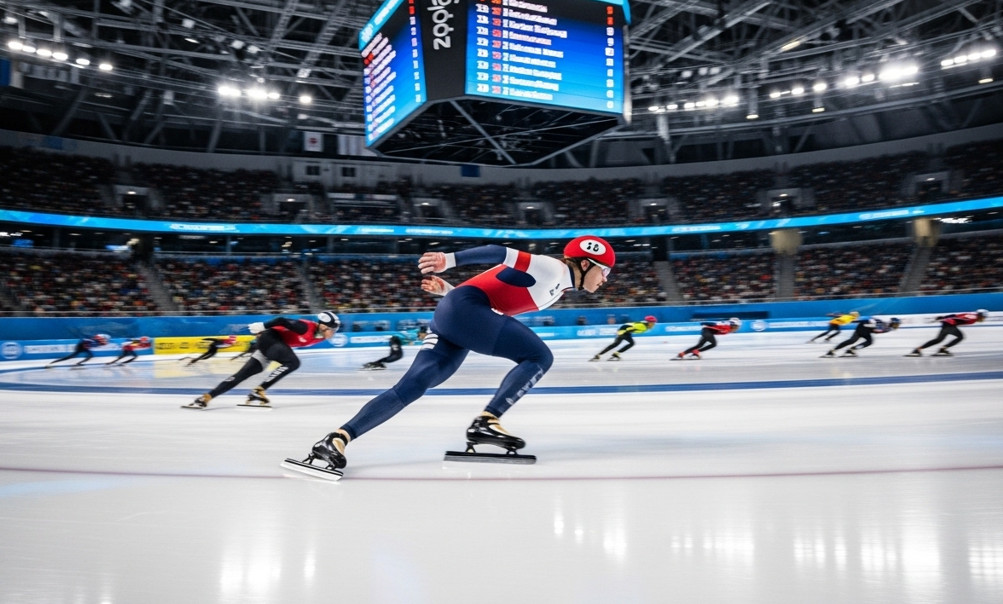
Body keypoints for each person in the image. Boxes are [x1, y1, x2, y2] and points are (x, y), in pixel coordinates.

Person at [287, 235, 615, 478]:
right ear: (585, 263)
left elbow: (491, 292)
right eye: (605, 272)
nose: (605, 281)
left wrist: (447, 291)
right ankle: (487, 421)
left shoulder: (559, 288)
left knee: (412, 386)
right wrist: (450, 259)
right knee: (539, 356)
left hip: (455, 312)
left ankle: (337, 439)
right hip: (465, 310)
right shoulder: (553, 269)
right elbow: (499, 252)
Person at [184, 312, 341, 409]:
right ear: (323, 326)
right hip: (270, 338)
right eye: (332, 330)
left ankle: (206, 397)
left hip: (272, 345)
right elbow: (281, 320)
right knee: (293, 362)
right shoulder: (305, 327)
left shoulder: (319, 337)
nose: (333, 333)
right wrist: (262, 325)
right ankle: (259, 391)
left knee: (242, 375)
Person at [905, 309, 988, 357]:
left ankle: (918, 350)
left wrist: (943, 317)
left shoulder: (971, 314)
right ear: (980, 315)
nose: (984, 319)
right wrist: (947, 319)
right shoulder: (973, 318)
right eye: (984, 317)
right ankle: (943, 349)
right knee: (960, 337)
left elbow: (955, 315)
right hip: (950, 324)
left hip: (947, 323)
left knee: (938, 340)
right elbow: (957, 318)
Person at [822, 316, 901, 357]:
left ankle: (834, 351)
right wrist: (856, 321)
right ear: (892, 323)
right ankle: (849, 350)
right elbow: (870, 320)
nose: (896, 326)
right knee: (867, 341)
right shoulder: (883, 324)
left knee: (852, 340)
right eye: (896, 324)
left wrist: (874, 328)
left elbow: (875, 330)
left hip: (866, 328)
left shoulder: (888, 328)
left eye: (897, 325)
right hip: (863, 327)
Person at [590, 315, 657, 361]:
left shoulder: (645, 325)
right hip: (624, 331)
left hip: (627, 332)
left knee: (631, 343)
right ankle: (598, 355)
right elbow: (628, 327)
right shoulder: (642, 326)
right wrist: (620, 333)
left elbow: (631, 326)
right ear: (649, 322)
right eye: (653, 323)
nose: (654, 325)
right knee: (616, 344)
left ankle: (616, 354)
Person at [362, 326, 428, 370]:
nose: (424, 336)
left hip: (396, 341)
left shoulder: (416, 332)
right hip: (395, 340)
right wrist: (410, 340)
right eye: (425, 334)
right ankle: (375, 363)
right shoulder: (414, 334)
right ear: (421, 332)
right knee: (397, 355)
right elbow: (409, 336)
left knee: (394, 356)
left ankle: (377, 363)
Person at [673, 318, 741, 360]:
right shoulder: (726, 326)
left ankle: (681, 354)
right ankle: (696, 352)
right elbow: (714, 323)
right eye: (737, 326)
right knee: (714, 344)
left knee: (698, 345)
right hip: (707, 331)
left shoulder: (728, 328)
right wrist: (704, 323)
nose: (737, 328)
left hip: (708, 332)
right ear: (733, 325)